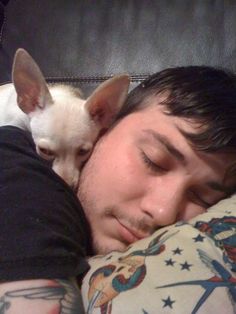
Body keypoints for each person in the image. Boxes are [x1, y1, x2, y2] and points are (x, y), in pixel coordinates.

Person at [0, 66, 236, 313]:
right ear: (106, 123)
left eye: (202, 197)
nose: (164, 212)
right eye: (152, 160)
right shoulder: (19, 169)